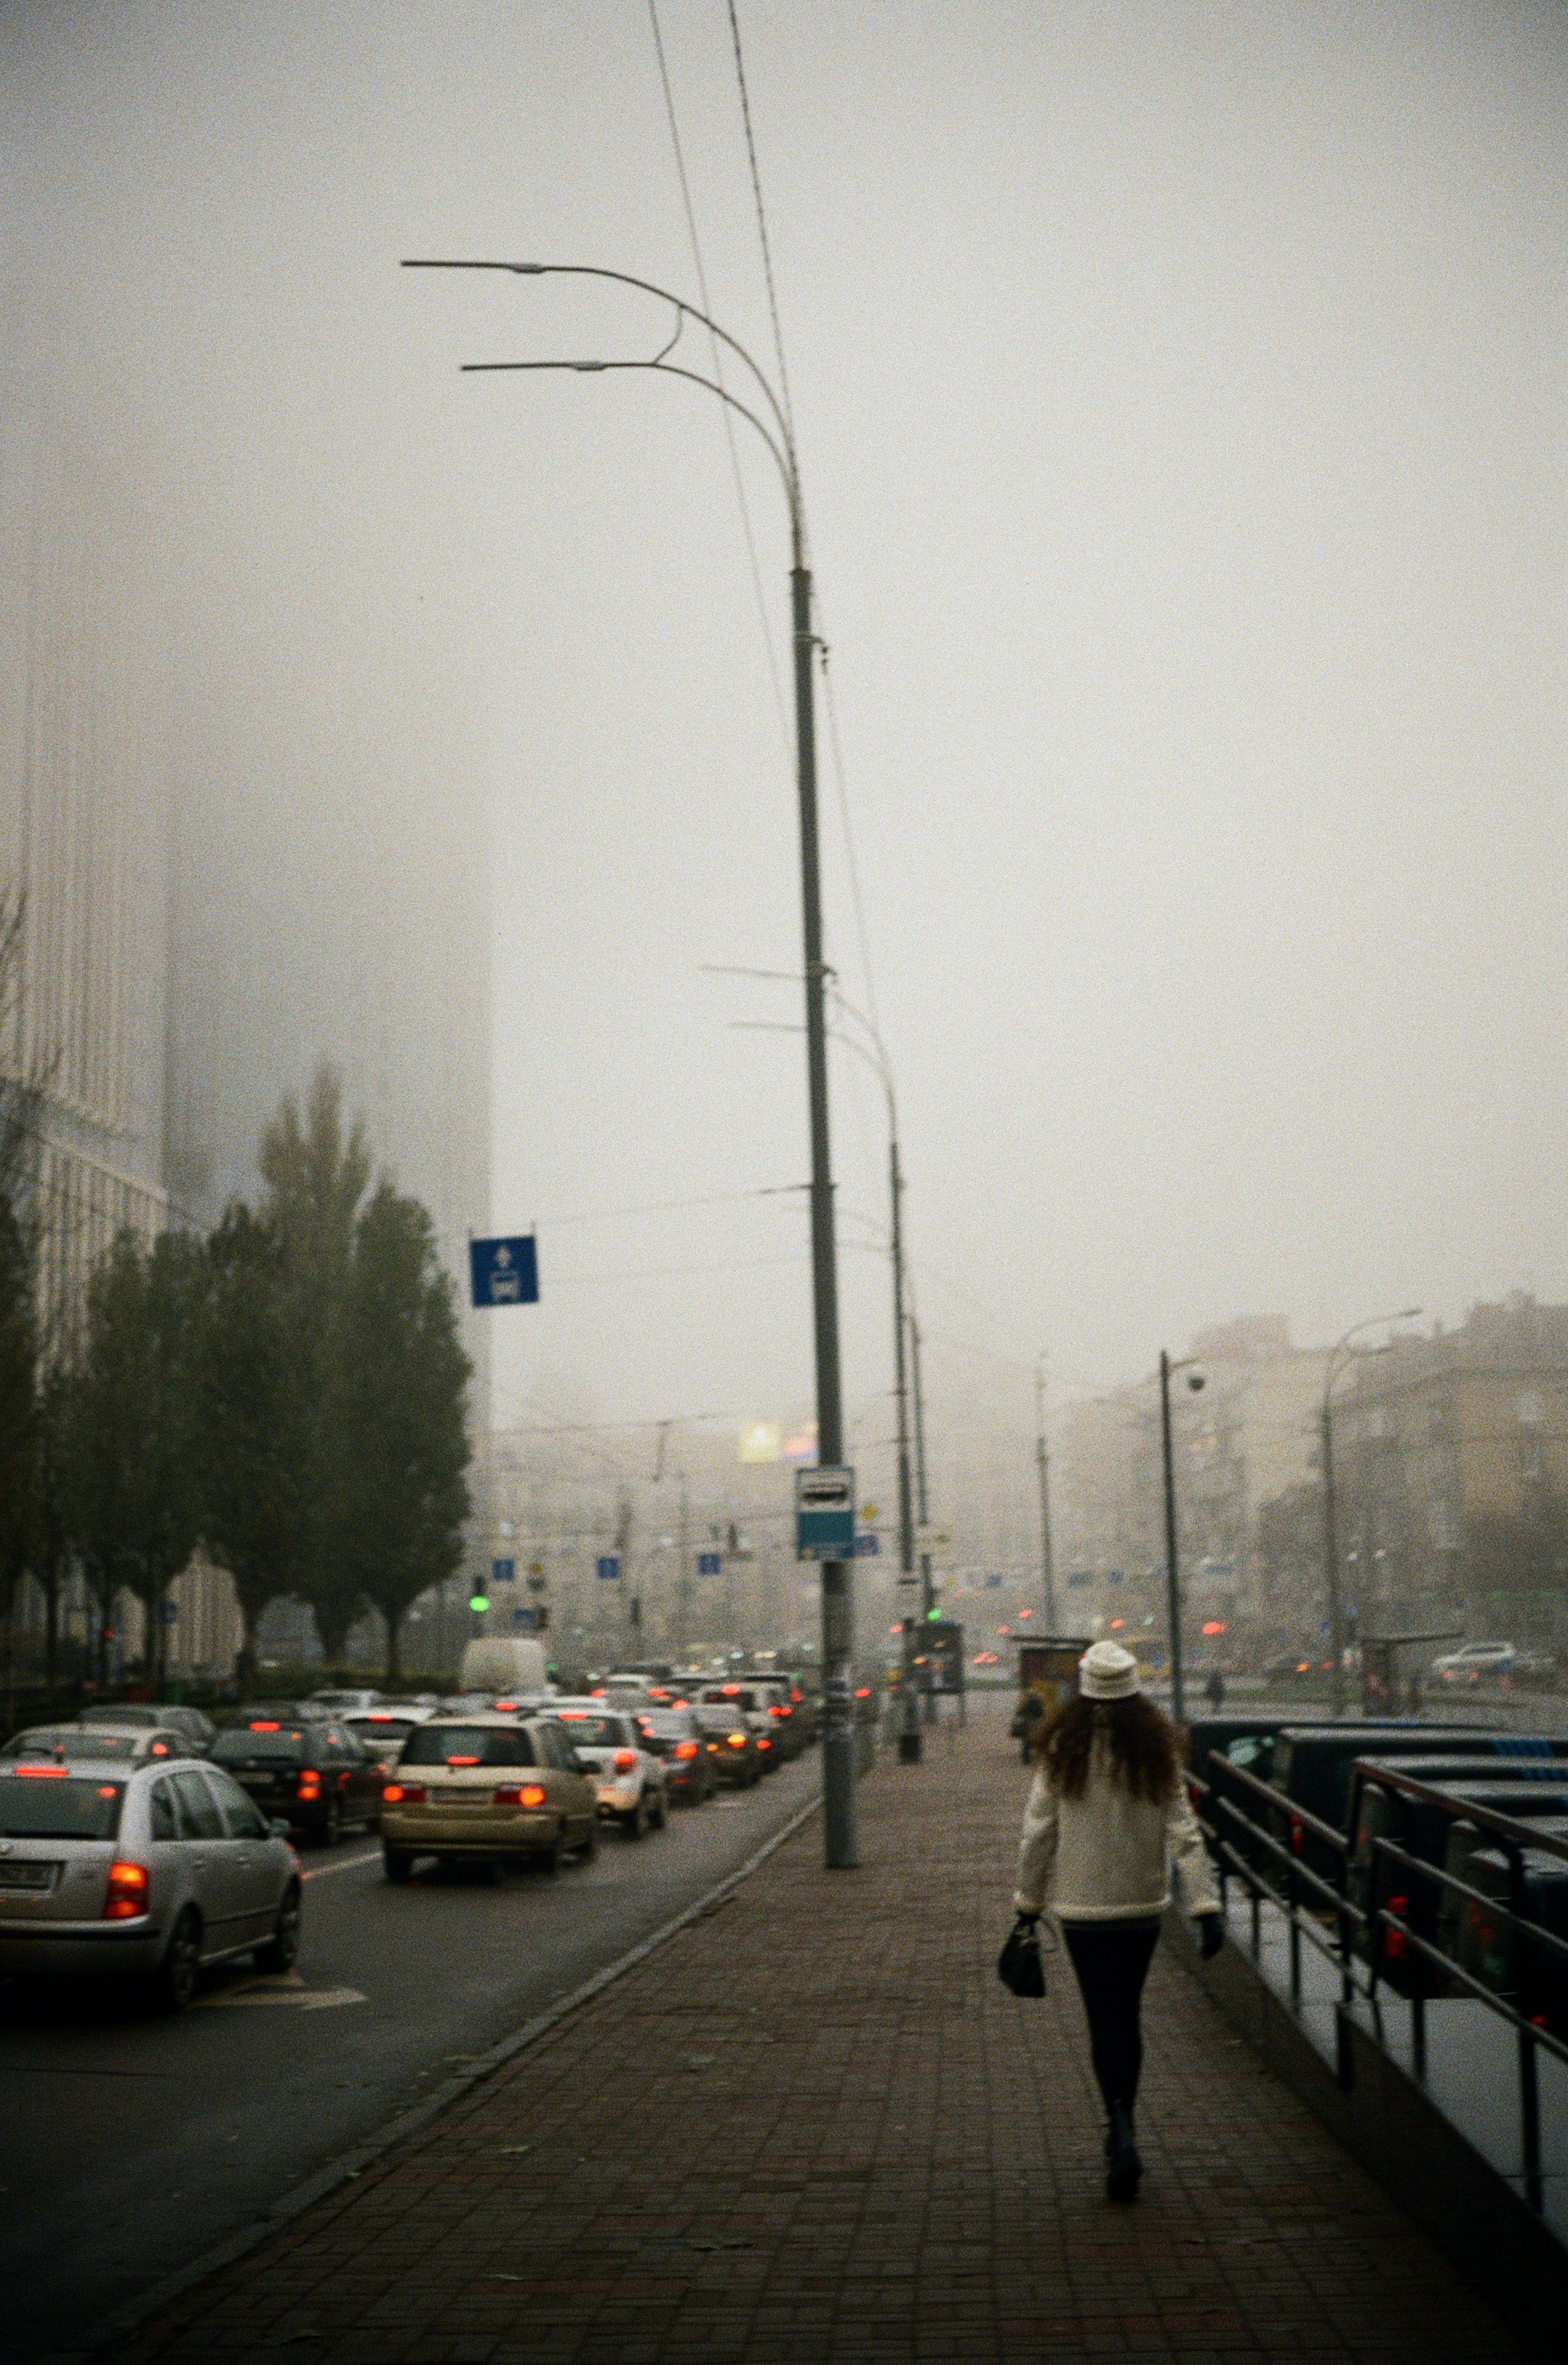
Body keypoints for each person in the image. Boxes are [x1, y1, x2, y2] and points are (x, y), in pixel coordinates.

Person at [1011, 1638, 1223, 2201]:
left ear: (1085, 1689)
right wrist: (1205, 1906)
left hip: (1083, 1911)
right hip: (1141, 1909)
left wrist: (1028, 1908)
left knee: (1101, 2019)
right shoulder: (1156, 1752)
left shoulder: (1062, 1751)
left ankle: (1118, 2126)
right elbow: (1184, 1831)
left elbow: (1038, 1834)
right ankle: (1126, 2125)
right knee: (1127, 2016)